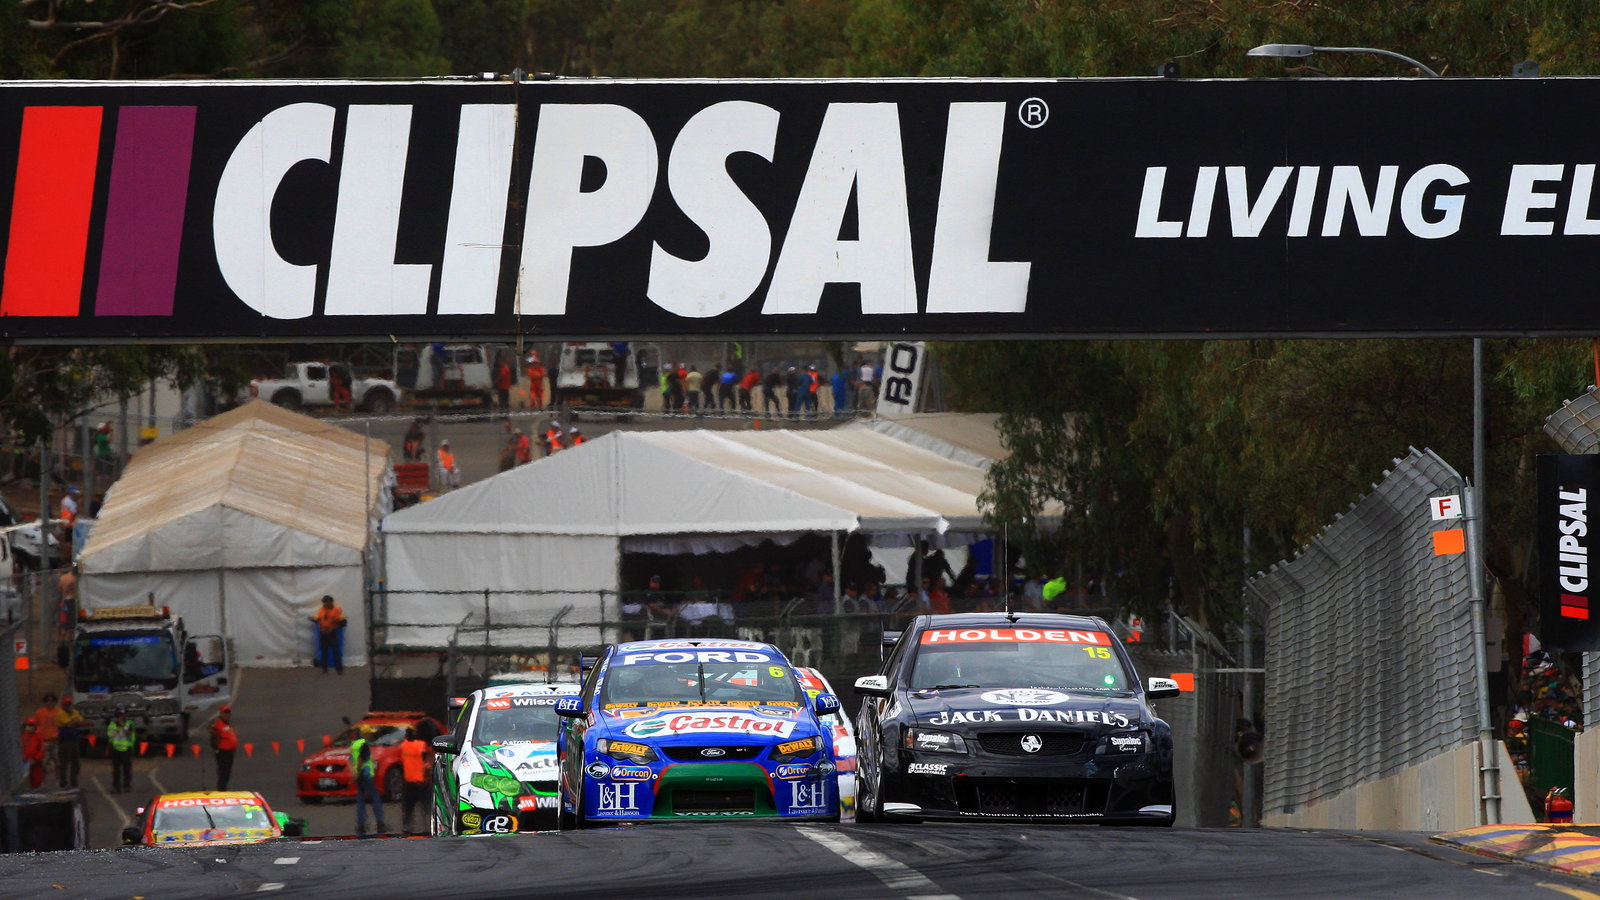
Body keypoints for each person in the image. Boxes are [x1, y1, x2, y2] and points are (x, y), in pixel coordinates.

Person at [350, 729, 387, 835]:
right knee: (375, 799)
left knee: (361, 800)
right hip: (365, 775)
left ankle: (361, 825)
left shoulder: (354, 745)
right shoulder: (363, 744)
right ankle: (380, 822)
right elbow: (362, 759)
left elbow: (351, 760)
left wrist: (354, 774)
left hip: (359, 776)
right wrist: (358, 772)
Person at [399, 727, 430, 834]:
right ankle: (427, 825)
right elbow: (426, 761)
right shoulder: (421, 745)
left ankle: (407, 826)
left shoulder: (403, 746)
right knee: (425, 806)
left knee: (408, 807)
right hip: (421, 781)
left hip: (409, 782)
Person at [55, 695, 86, 787]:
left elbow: (82, 722)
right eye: (66, 704)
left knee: (76, 763)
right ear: (62, 704)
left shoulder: (75, 712)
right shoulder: (60, 714)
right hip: (65, 741)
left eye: (69, 704)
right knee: (64, 763)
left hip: (75, 740)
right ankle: (63, 782)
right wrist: (75, 722)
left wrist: (75, 723)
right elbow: (69, 724)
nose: (68, 706)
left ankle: (74, 782)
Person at [310, 595, 346, 674]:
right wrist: (321, 628)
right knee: (324, 650)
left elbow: (339, 622)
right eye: (325, 603)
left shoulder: (336, 610)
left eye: (327, 603)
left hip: (332, 632)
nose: (326, 604)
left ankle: (339, 668)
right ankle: (324, 668)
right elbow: (319, 620)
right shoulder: (322, 610)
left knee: (335, 650)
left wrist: (332, 628)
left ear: (331, 602)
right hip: (323, 632)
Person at [29, 693, 60, 784]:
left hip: (55, 740)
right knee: (43, 763)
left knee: (57, 762)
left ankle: (58, 781)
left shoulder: (58, 712)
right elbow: (36, 725)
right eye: (47, 701)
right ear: (44, 702)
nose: (49, 703)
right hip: (44, 741)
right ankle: (42, 781)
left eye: (52, 701)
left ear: (54, 702)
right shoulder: (39, 713)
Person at [107, 706, 136, 793]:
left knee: (126, 769)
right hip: (115, 749)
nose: (122, 716)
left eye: (123, 714)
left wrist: (122, 726)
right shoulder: (112, 724)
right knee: (116, 770)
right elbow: (110, 736)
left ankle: (127, 786)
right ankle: (116, 787)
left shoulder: (129, 723)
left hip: (126, 748)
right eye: (120, 714)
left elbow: (128, 733)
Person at [210, 706, 238, 791]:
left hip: (230, 752)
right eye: (225, 713)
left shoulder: (228, 724)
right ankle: (221, 790)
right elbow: (212, 732)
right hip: (222, 752)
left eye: (228, 713)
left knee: (227, 772)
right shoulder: (218, 724)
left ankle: (223, 788)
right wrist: (216, 747)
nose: (227, 714)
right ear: (221, 713)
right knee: (223, 772)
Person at [22, 721, 45, 789]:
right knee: (25, 780)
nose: (30, 727)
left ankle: (36, 790)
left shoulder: (38, 737)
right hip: (24, 762)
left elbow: (42, 750)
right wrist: (25, 759)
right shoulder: (22, 737)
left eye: (32, 725)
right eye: (28, 725)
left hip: (36, 762)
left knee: (37, 779)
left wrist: (35, 759)